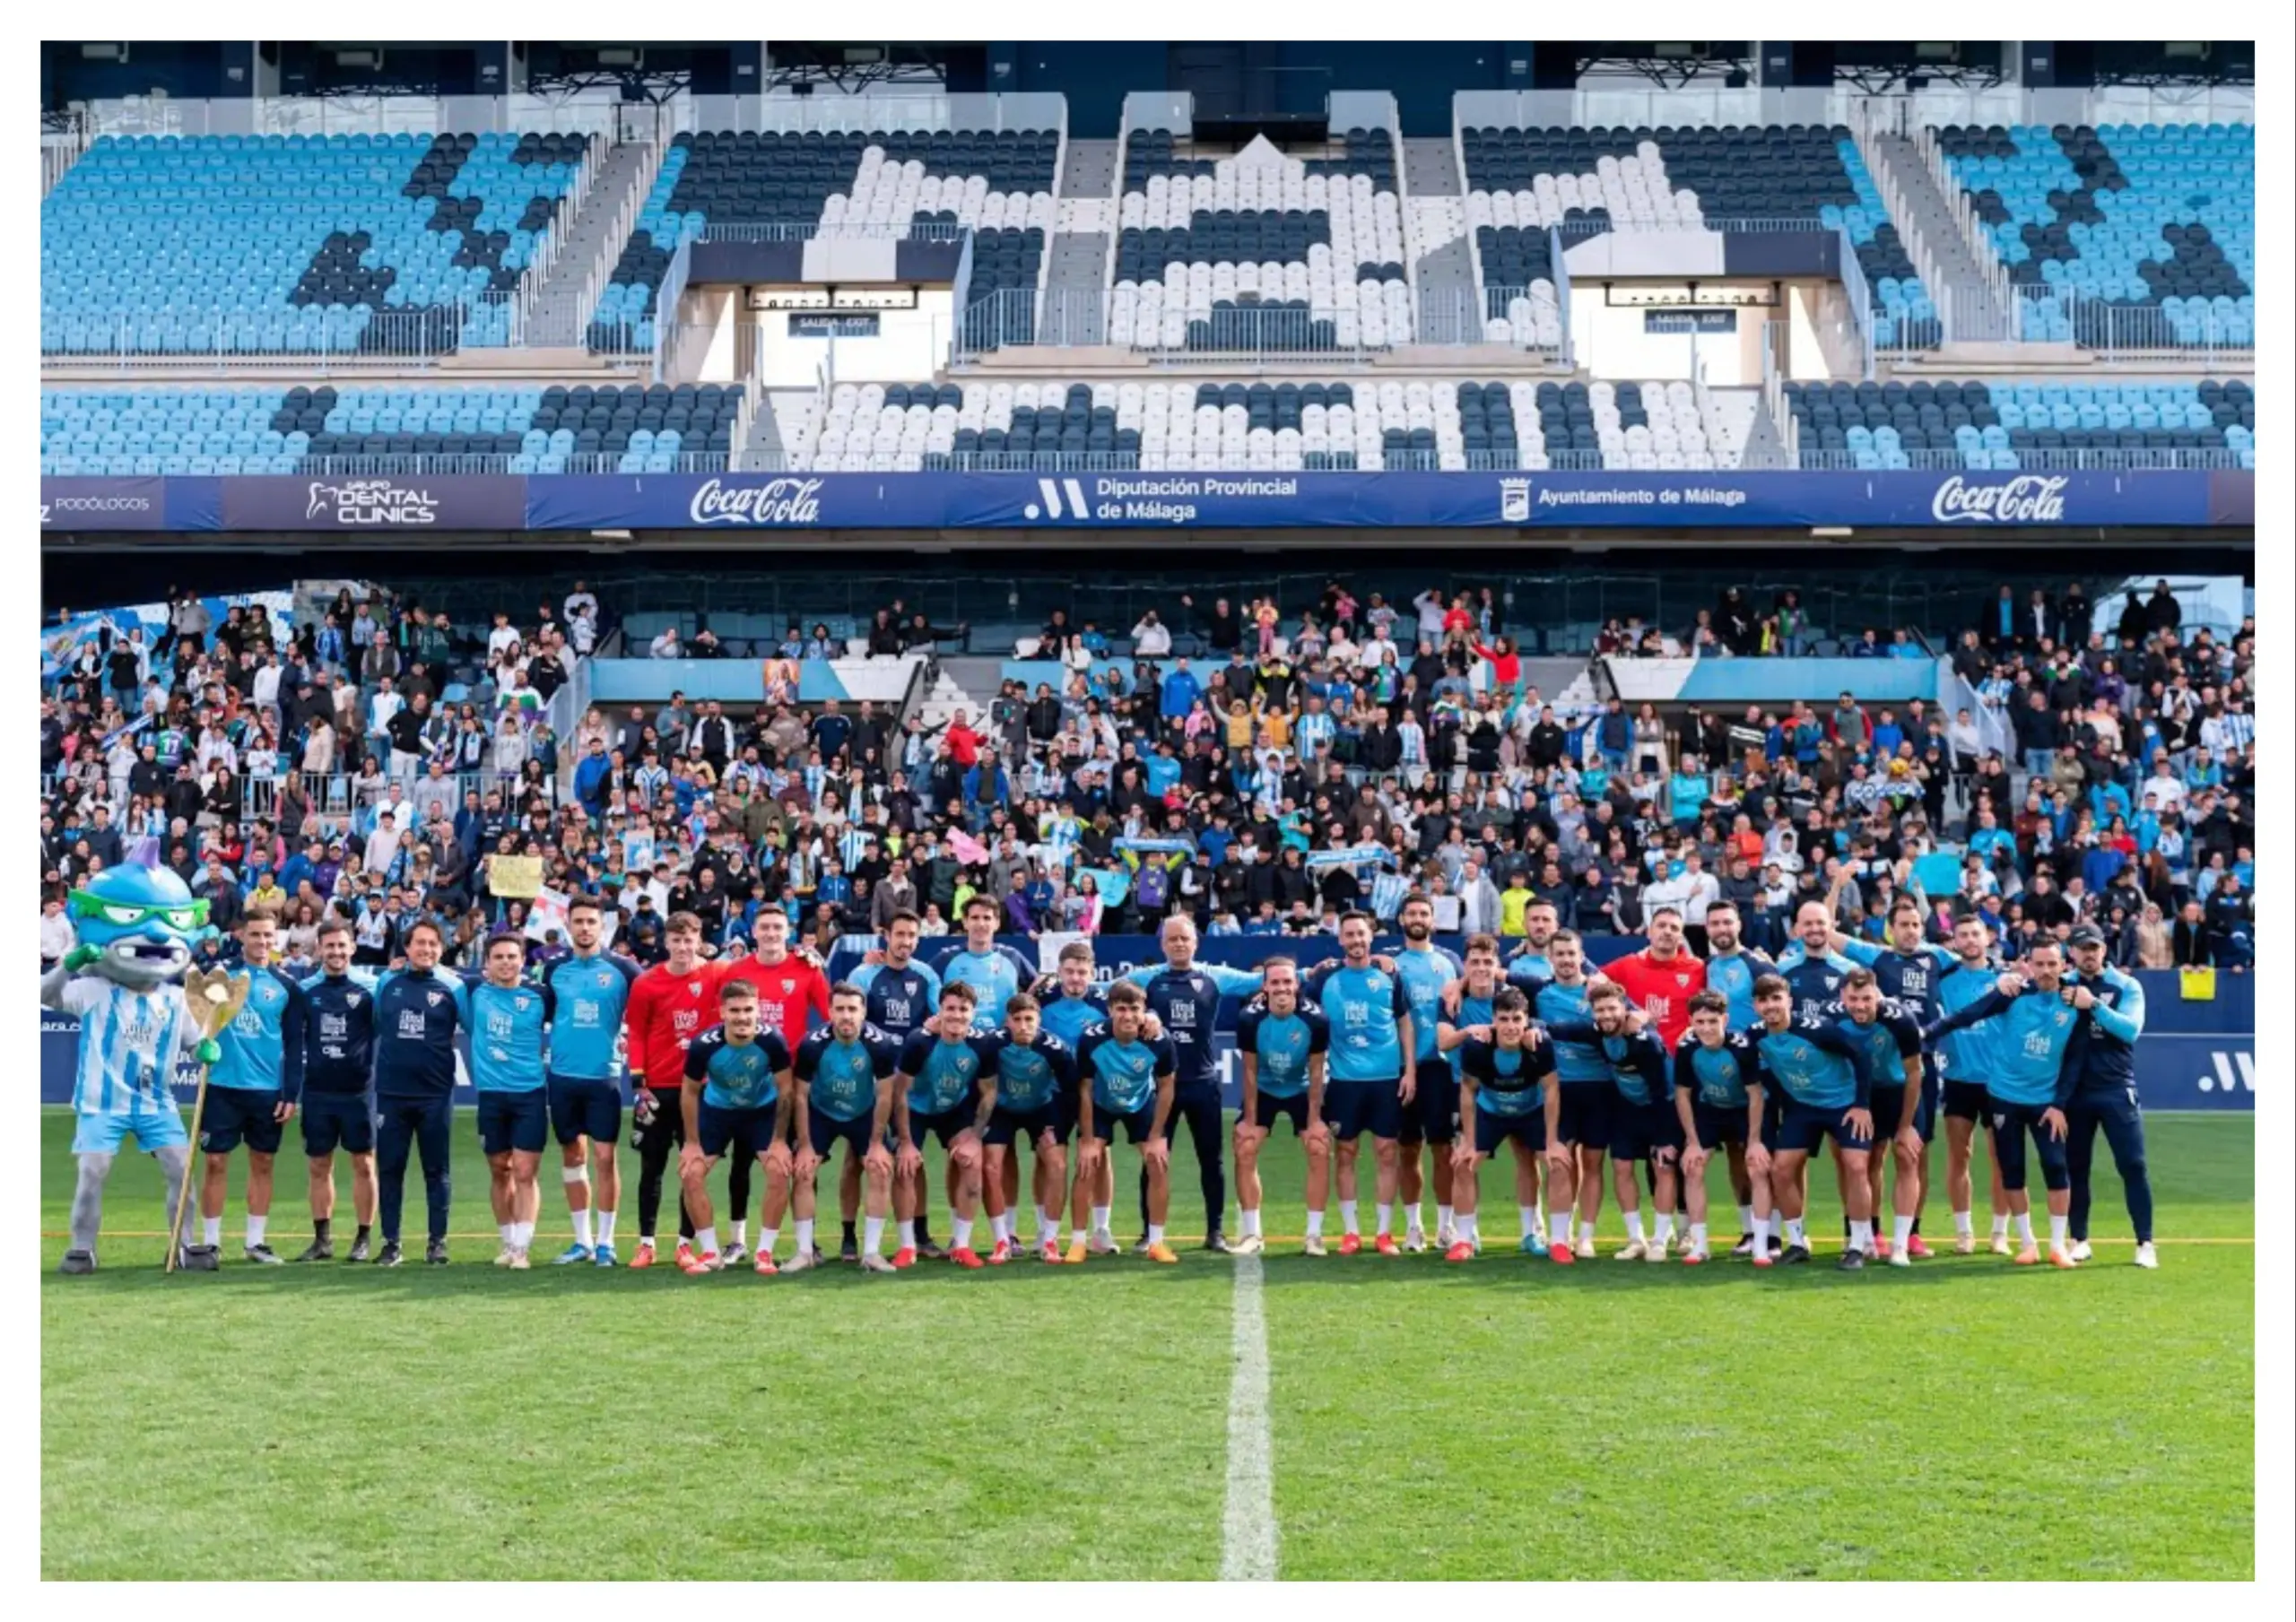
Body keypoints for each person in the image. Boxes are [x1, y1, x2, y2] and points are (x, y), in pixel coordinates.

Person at [1923, 941, 2091, 1269]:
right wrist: (1927, 1032)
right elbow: (1969, 1014)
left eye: (2052, 964)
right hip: (2004, 1096)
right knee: (2012, 1169)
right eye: (2039, 964)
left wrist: (2059, 1104)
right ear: (2028, 964)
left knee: (2056, 1168)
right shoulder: (2013, 992)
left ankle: (2058, 1245)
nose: (2045, 971)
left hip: (2046, 1103)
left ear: (2063, 964)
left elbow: (2075, 1060)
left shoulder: (2074, 1000)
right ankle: (2027, 1243)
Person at [1122, 913, 1263, 1253]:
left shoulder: (1215, 976)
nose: (1179, 944)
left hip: (1204, 1084)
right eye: (1172, 939)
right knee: (1154, 1158)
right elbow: (1107, 991)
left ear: (1196, 942)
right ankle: (1148, 1232)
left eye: (1185, 938)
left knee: (1210, 1160)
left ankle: (1215, 1231)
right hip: (1160, 1086)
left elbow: (1259, 980)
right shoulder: (1148, 979)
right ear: (1162, 944)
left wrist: (1312, 972)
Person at [622, 912, 744, 1270]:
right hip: (658, 1088)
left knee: (692, 1169)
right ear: (666, 942)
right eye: (676, 940)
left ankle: (684, 1244)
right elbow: (638, 1032)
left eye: (689, 940)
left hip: (702, 1088)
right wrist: (639, 1081)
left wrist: (806, 954)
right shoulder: (646, 983)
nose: (682, 947)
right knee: (651, 1167)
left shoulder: (717, 973)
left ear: (699, 940)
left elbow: (756, 971)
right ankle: (645, 1243)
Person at [195, 909, 307, 1263]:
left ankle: (255, 1243)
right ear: (241, 935)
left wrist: (291, 1093)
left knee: (262, 1162)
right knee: (214, 1162)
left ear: (276, 940)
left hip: (266, 1090)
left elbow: (294, 1045)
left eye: (268, 936)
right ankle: (210, 1242)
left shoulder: (287, 986)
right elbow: (197, 1019)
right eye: (255, 934)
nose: (262, 942)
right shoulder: (221, 976)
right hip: (222, 1086)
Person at [1301, 911, 1414, 1255]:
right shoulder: (1325, 978)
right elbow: (1294, 998)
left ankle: (1383, 1233)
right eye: (1349, 935)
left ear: (1371, 937)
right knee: (1346, 1153)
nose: (1356, 940)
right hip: (1345, 1081)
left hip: (1385, 1080)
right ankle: (1351, 1232)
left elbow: (1405, 1023)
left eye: (1361, 934)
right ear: (1340, 940)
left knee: (1386, 1152)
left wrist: (1410, 1070)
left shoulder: (1390, 975)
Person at [1746, 974, 1877, 1271]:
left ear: (1789, 1001)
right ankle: (1797, 1242)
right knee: (1780, 1170)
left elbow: (1861, 1056)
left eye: (1776, 998)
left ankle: (1857, 1246)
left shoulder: (1818, 1030)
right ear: (1755, 1005)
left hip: (1843, 1106)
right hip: (1803, 1108)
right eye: (1763, 1001)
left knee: (1856, 1166)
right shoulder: (1755, 1036)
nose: (1770, 1006)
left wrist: (1861, 1105)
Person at [1543, 982, 1680, 1262]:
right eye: (1600, 1010)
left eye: (1612, 1009)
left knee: (1663, 1167)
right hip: (1627, 1109)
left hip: (1660, 1108)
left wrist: (1666, 1139)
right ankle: (1636, 1239)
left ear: (1624, 1009)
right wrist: (1534, 1026)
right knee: (1621, 1168)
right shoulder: (1596, 1031)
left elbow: (1660, 1091)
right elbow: (1562, 1030)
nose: (1606, 1015)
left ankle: (1660, 1241)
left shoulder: (1646, 1043)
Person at [540, 896, 642, 1266]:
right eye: (578, 921)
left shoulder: (624, 970)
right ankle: (581, 1241)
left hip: (605, 1078)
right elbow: (543, 1013)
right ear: (568, 925)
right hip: (563, 1076)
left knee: (604, 1156)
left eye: (591, 922)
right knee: (572, 1154)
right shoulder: (553, 970)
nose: (585, 928)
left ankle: (606, 1242)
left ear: (603, 927)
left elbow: (651, 1005)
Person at [730, 909, 831, 1264]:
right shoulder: (736, 970)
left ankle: (809, 1242)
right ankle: (737, 1239)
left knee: (804, 1162)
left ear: (786, 932)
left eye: (777, 927)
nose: (771, 933)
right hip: (747, 1080)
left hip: (794, 1081)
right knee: (741, 1161)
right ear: (754, 931)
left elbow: (831, 1016)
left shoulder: (806, 968)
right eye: (765, 927)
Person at [1439, 932, 1550, 1254]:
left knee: (1527, 1159)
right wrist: (1470, 1031)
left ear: (1497, 965)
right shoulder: (1451, 999)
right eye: (1474, 962)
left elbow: (1539, 997)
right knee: (1465, 1158)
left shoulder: (1511, 995)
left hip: (1518, 1088)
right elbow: (1444, 1042)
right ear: (1465, 965)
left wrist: (1533, 1032)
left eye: (1488, 962)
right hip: (1472, 1091)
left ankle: (1532, 1232)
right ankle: (1467, 1234)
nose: (1481, 968)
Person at [675, 980, 796, 1274]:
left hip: (761, 1113)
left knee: (779, 1171)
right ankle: (711, 1254)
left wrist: (780, 1140)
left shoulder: (773, 1041)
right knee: (691, 1173)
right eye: (735, 1010)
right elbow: (689, 1091)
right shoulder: (704, 1045)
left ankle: (764, 1253)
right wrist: (691, 1143)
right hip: (718, 1112)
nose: (742, 1017)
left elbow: (786, 1089)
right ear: (722, 1013)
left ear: (758, 1011)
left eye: (748, 1010)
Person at [843, 908, 943, 1258]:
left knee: (910, 1159)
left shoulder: (926, 975)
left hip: (912, 1083)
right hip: (870, 1080)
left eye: (912, 936)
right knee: (856, 1159)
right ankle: (848, 1236)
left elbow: (937, 1019)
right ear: (887, 935)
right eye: (899, 935)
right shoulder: (864, 973)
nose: (905, 942)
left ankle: (920, 1233)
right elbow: (850, 1021)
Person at [371, 919, 471, 1265]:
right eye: (419, 943)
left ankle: (437, 1242)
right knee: (390, 1169)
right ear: (407, 948)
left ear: (441, 949)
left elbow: (472, 1028)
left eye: (432, 944)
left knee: (436, 1169)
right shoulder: (387, 982)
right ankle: (391, 1243)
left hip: (436, 1094)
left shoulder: (454, 987)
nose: (426, 949)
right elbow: (375, 1023)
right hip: (391, 1093)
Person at [2061, 924, 2157, 1270]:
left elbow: (2130, 1030)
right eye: (2082, 948)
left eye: (2094, 947)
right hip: (2075, 1092)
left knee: (2133, 1165)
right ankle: (2079, 1239)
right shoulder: (2062, 984)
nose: (2089, 953)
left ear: (2104, 949)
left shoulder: (2126, 985)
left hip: (2117, 1089)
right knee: (2076, 1167)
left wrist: (2094, 1007)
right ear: (2071, 952)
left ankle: (2145, 1242)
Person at [791, 984, 903, 1273]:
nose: (846, 1016)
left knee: (879, 1167)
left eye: (852, 1009)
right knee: (803, 1170)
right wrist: (804, 1145)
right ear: (829, 1012)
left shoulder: (881, 1044)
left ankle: (872, 1254)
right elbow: (800, 1095)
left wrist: (877, 1143)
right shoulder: (812, 1044)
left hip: (862, 1113)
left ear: (863, 1012)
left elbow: (885, 1095)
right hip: (822, 1112)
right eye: (839, 1009)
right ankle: (805, 1253)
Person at [1067, 982, 1180, 1265]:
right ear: (1109, 1011)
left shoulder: (1159, 1039)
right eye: (1121, 1009)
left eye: (1134, 1009)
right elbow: (1085, 1089)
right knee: (1086, 1163)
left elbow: (1167, 1086)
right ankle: (1079, 1242)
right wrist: (1089, 1138)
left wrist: (1156, 1136)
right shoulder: (1091, 1039)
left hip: (1140, 1104)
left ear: (1144, 1011)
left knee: (1158, 1161)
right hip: (1101, 1104)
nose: (1128, 1016)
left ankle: (1156, 1242)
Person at [1514, 931, 1610, 1258]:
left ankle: (1586, 1236)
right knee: (1560, 1161)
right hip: (1558, 1088)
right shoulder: (1539, 992)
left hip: (1599, 1086)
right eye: (1560, 954)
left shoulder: (1598, 990)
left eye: (1572, 954)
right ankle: (1560, 1234)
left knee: (1593, 1163)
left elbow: (1630, 1016)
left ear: (1581, 956)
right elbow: (1497, 974)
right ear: (1550, 958)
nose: (1567, 960)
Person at [1231, 957, 1332, 1256]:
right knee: (1245, 1145)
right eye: (1275, 982)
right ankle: (1252, 1233)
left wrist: (1314, 1120)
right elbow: (1249, 1070)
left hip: (1300, 1087)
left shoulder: (1316, 1019)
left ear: (1297, 985)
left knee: (1318, 1147)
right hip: (1264, 1087)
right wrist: (1250, 1120)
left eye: (1287, 981)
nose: (1281, 988)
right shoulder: (1249, 1018)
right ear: (1264, 986)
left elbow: (1316, 1072)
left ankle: (1314, 1235)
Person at [293, 918, 378, 1261]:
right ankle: (322, 1240)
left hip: (359, 1092)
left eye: (342, 945)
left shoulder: (372, 988)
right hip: (317, 1092)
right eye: (330, 945)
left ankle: (363, 1238)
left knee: (364, 1165)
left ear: (353, 948)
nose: (337, 951)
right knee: (318, 1166)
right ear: (319, 949)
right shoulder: (306, 991)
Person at [1829, 968, 1926, 1267]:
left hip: (1896, 1091)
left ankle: (1900, 1245)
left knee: (1906, 1156)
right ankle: (1866, 1236)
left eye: (1867, 999)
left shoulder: (1901, 1019)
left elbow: (1913, 1073)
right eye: (1853, 999)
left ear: (1878, 995)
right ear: (1843, 997)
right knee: (1859, 1162)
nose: (1860, 1005)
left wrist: (1906, 1125)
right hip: (1856, 1095)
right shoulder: (1830, 1018)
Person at [972, 992, 1078, 1262]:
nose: (1023, 1026)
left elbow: (1072, 1094)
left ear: (1039, 1020)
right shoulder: (991, 1045)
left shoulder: (1056, 1049)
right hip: (1003, 1108)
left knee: (1057, 1163)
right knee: (991, 1165)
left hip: (1042, 1107)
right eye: (1016, 1019)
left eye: (1029, 1019)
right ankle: (1002, 1240)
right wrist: (975, 1133)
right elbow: (983, 1088)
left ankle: (1050, 1240)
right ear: (1007, 1021)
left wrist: (1060, 1130)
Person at [468, 932, 552, 1270]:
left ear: (523, 960)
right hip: (490, 1096)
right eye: (498, 957)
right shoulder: (475, 992)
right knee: (499, 1169)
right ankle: (507, 1241)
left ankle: (522, 1248)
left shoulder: (540, 995)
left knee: (525, 1171)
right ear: (487, 963)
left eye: (511, 956)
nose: (506, 962)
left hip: (529, 1094)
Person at [1387, 893, 1465, 1251]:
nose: (1418, 918)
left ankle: (1446, 1226)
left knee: (1442, 1148)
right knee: (1407, 1148)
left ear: (1433, 920)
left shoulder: (1450, 961)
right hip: (1402, 1067)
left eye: (1424, 913)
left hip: (1440, 1067)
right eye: (1412, 913)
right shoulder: (1389, 963)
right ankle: (1414, 1226)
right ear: (1402, 919)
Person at [893, 983, 991, 1268]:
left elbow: (989, 1092)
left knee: (973, 1165)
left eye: (963, 1009)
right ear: (939, 1010)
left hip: (953, 1109)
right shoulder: (919, 1042)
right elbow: (899, 1093)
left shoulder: (982, 1044)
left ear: (973, 1013)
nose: (957, 1015)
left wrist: (974, 1138)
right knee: (905, 1166)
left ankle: (961, 1245)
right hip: (915, 1110)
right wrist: (906, 1142)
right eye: (950, 1008)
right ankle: (907, 1246)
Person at [1673, 991, 1773, 1265]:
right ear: (1691, 1021)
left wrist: (1754, 1141)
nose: (1706, 1028)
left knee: (1757, 1166)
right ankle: (1700, 1245)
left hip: (1744, 1110)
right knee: (1692, 1165)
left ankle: (1761, 1246)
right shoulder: (1686, 1048)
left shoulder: (1741, 1048)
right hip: (1711, 1110)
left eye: (1712, 1021)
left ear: (1725, 1019)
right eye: (1700, 1021)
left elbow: (1755, 1094)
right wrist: (1692, 1142)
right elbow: (1682, 1094)